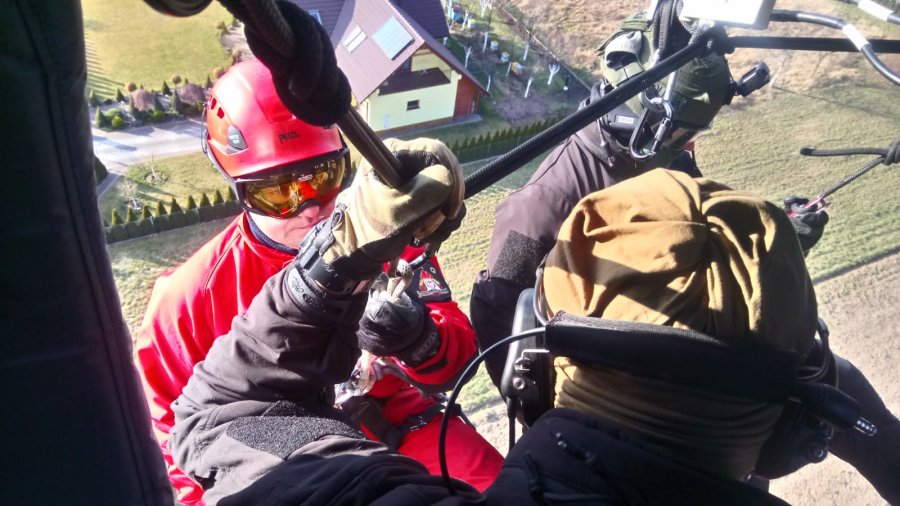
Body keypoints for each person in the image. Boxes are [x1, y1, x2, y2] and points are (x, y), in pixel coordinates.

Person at [169, 167, 891, 505]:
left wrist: (334, 261)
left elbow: (222, 418)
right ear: (795, 427)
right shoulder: (189, 292)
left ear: (529, 366)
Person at [134, 59, 502, 504]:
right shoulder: (186, 302)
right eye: (279, 192)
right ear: (239, 188)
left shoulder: (380, 236)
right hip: (291, 462)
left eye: (322, 178)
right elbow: (184, 455)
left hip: (409, 427)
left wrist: (417, 337)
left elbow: (458, 363)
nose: (310, 208)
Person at [469, 11, 733, 388]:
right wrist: (541, 405)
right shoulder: (540, 207)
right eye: (678, 134)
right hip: (590, 389)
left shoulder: (668, 162)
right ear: (642, 116)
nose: (687, 146)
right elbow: (497, 314)